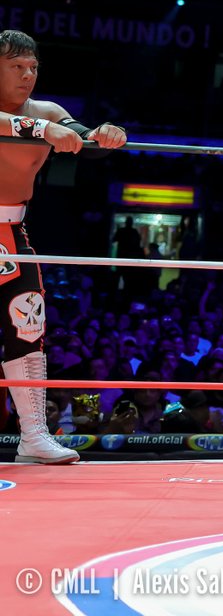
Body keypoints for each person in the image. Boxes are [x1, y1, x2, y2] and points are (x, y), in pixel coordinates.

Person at [0, 29, 127, 463]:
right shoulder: (38, 120)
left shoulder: (47, 111)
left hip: (12, 234)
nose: (27, 75)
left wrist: (105, 134)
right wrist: (44, 129)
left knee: (28, 327)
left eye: (33, 67)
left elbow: (84, 141)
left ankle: (33, 435)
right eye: (16, 67)